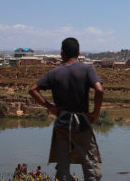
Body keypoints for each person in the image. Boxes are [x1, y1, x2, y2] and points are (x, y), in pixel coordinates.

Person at [29, 37, 104, 181]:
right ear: (78, 52)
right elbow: (99, 90)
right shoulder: (87, 69)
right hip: (82, 123)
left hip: (62, 123)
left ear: (62, 53)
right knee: (91, 167)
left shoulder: (54, 73)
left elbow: (32, 89)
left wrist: (49, 107)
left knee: (63, 169)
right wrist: (95, 113)